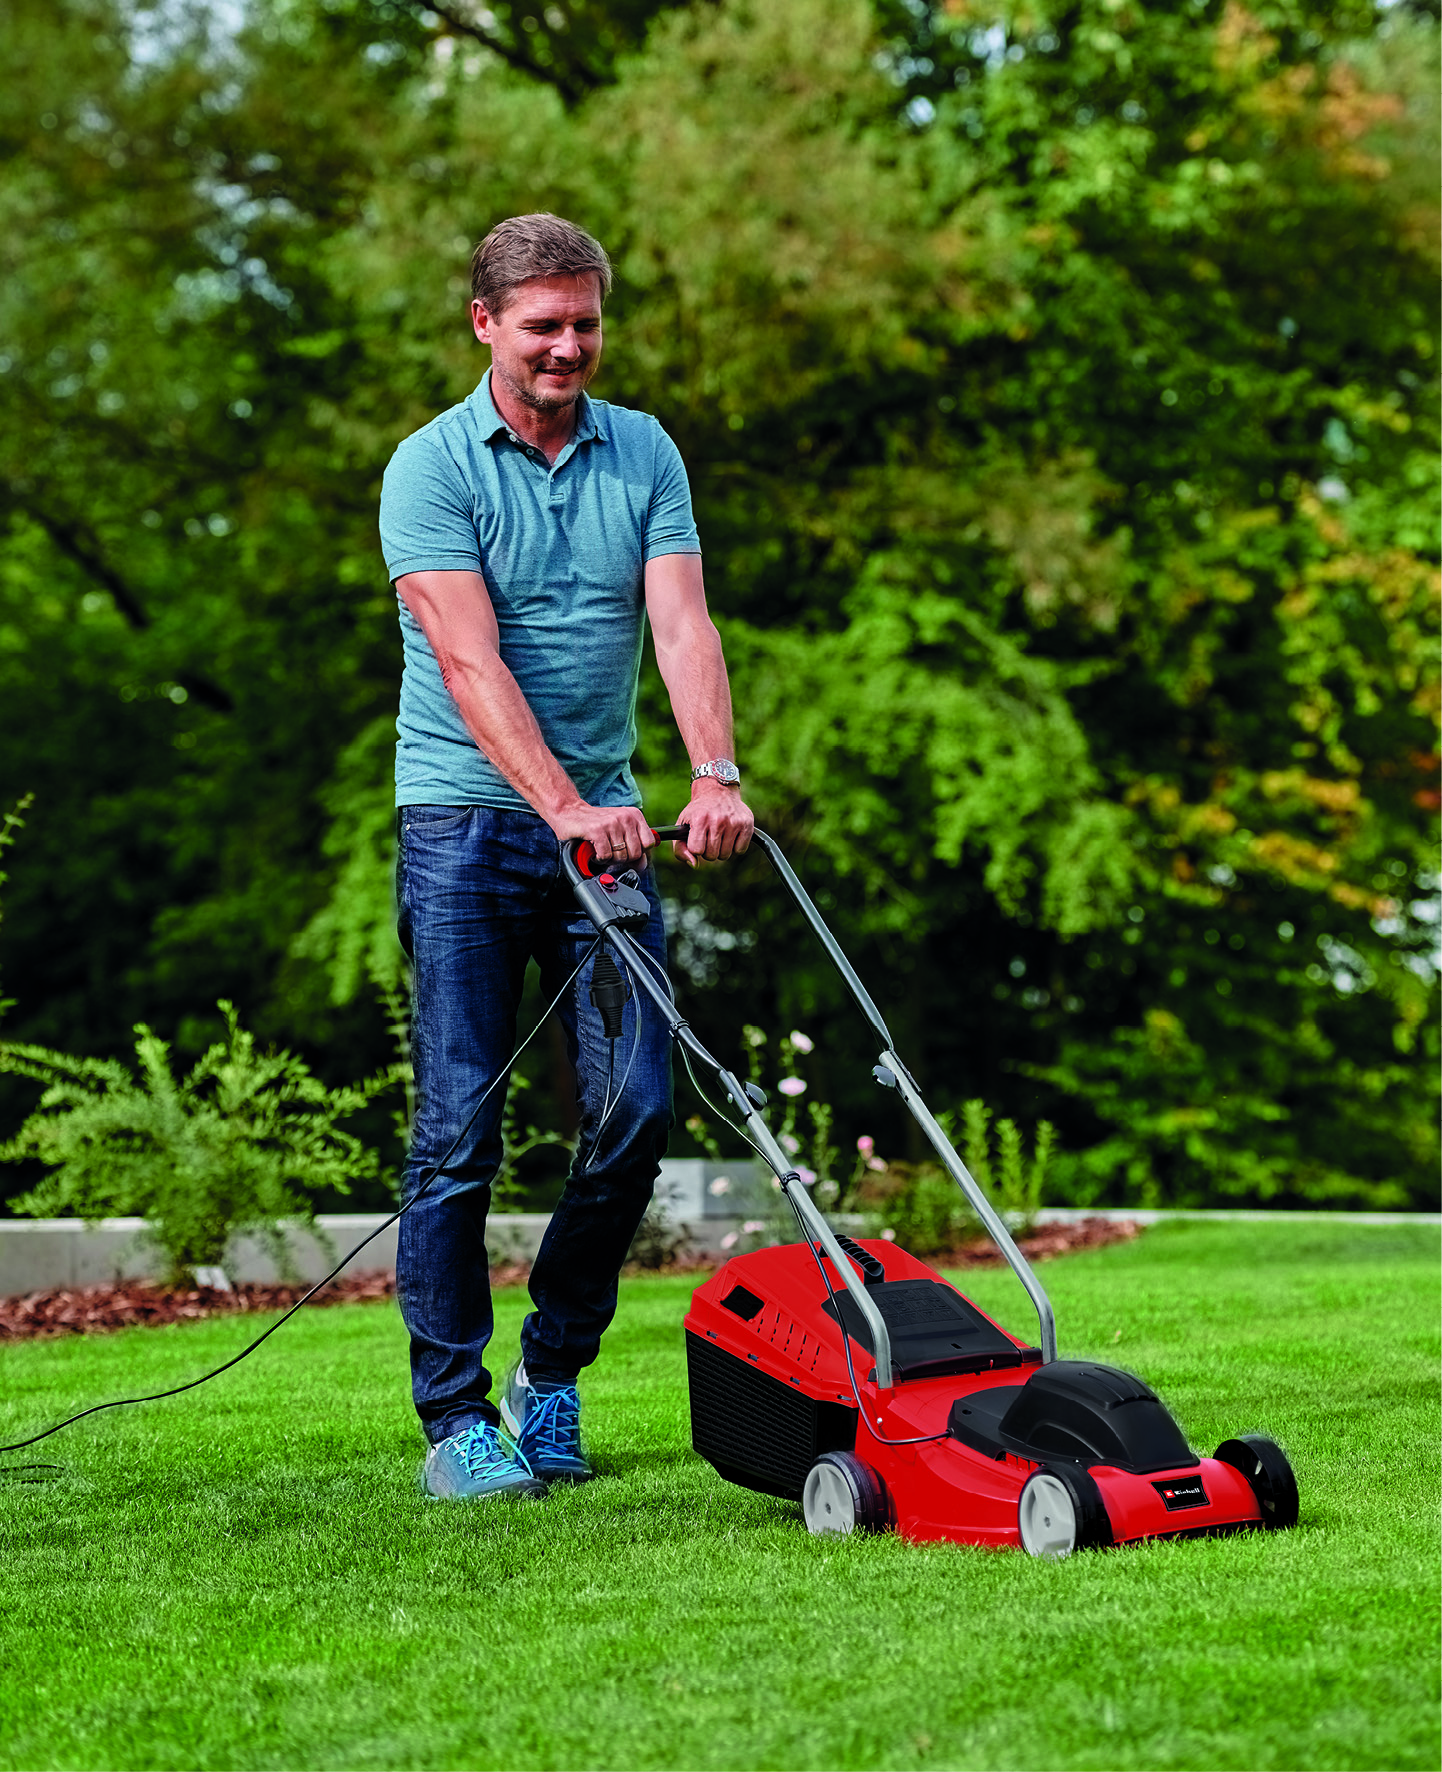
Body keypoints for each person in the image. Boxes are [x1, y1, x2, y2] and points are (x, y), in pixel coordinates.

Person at [379, 213, 754, 1501]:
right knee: (458, 1129)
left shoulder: (643, 450)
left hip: (609, 828)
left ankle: (550, 1373)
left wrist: (713, 774)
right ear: (484, 323)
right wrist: (561, 807)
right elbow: (468, 662)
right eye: (542, 325)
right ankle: (455, 1419)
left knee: (638, 1108)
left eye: (585, 322)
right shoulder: (428, 470)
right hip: (464, 825)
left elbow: (683, 624)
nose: (567, 346)